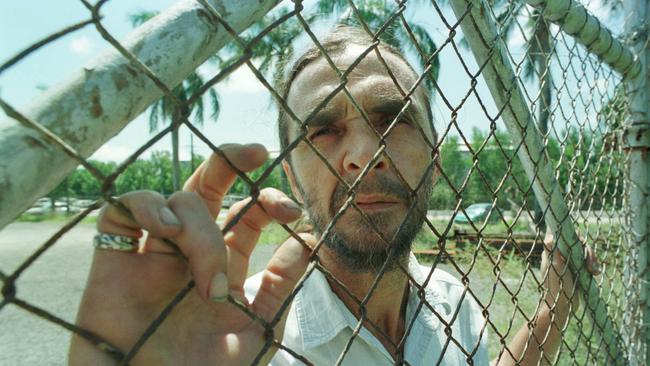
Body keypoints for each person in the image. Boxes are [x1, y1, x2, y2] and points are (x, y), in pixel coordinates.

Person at [69, 25, 599, 365]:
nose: (365, 154)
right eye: (323, 129)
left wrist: (553, 309)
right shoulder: (246, 337)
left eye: (393, 119)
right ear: (292, 178)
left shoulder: (450, 299)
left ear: (435, 162)